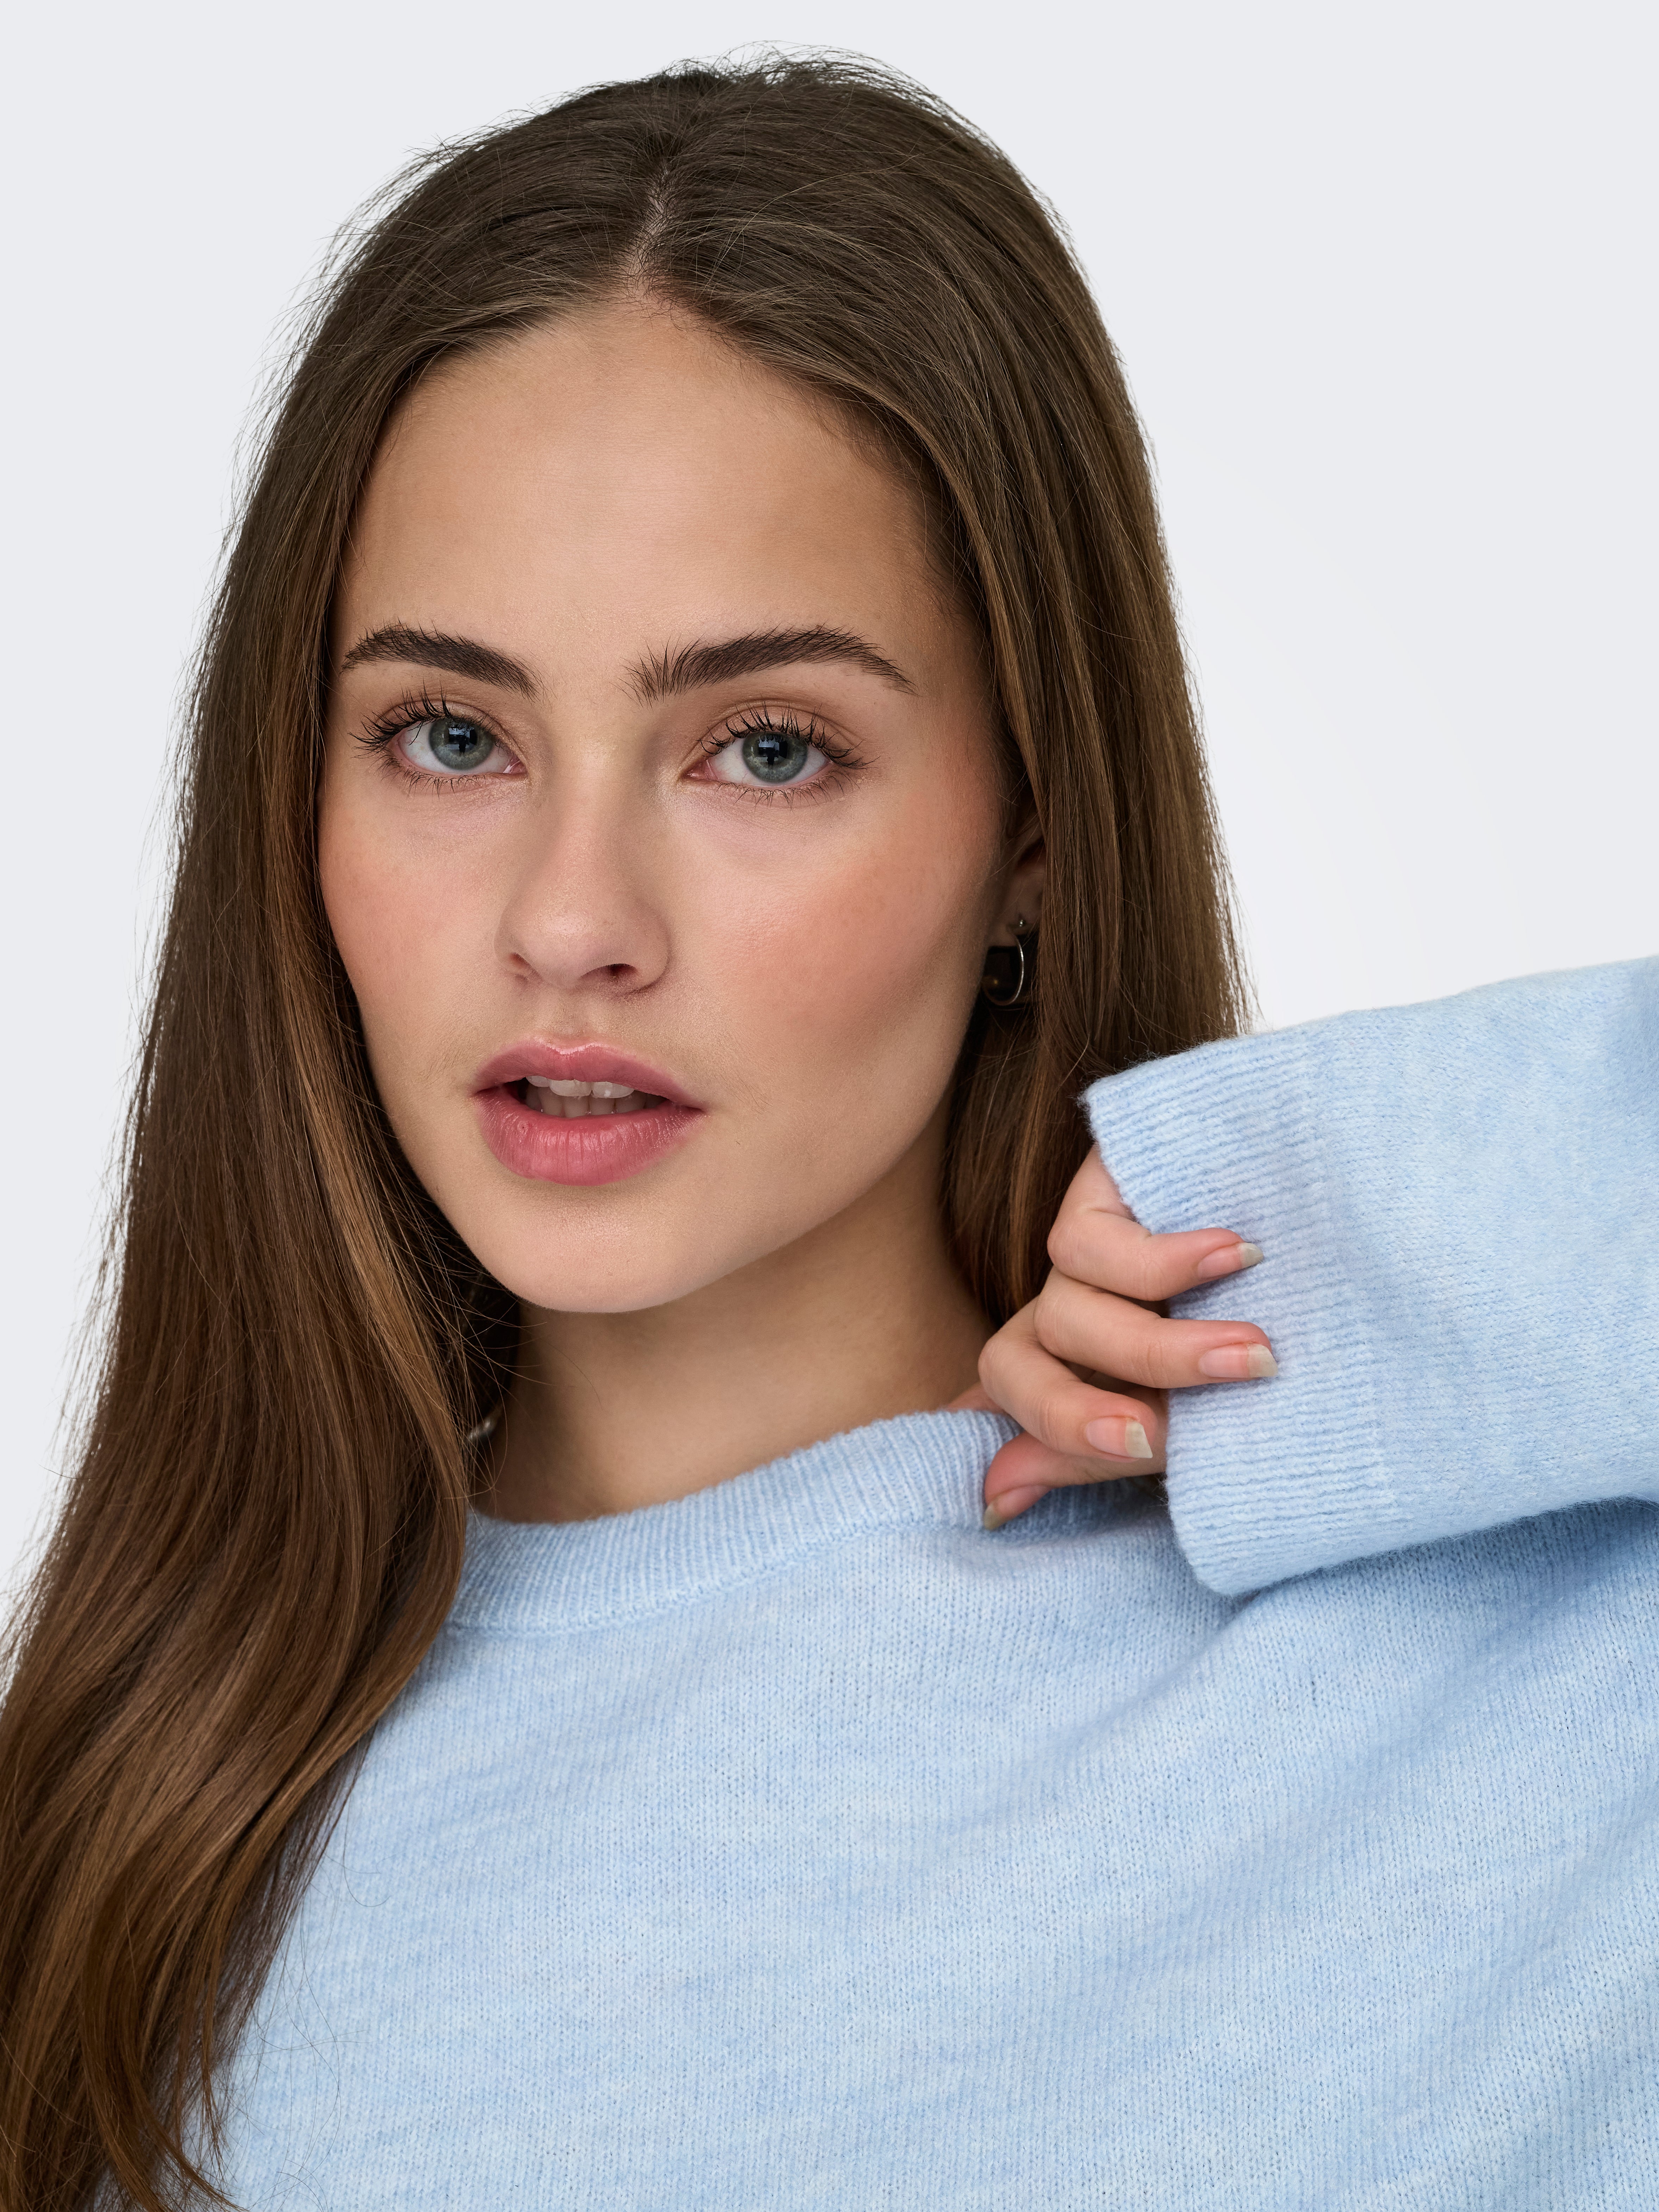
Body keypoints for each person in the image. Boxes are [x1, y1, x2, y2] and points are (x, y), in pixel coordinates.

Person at [1, 54, 1653, 2212]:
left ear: (1032, 823)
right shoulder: (125, 1833)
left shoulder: (1529, 1668)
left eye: (765, 750)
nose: (570, 921)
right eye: (449, 736)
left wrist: (1338, 1239)